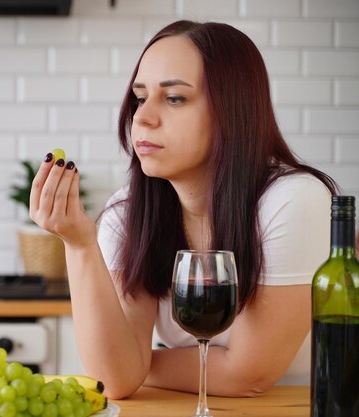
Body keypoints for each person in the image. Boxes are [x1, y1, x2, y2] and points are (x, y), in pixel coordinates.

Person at [29, 20, 338, 399]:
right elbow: (114, 381)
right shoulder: (128, 214)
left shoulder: (294, 200)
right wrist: (78, 244)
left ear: (233, 110)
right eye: (140, 97)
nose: (142, 117)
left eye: (174, 98)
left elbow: (249, 374)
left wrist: (138, 363)